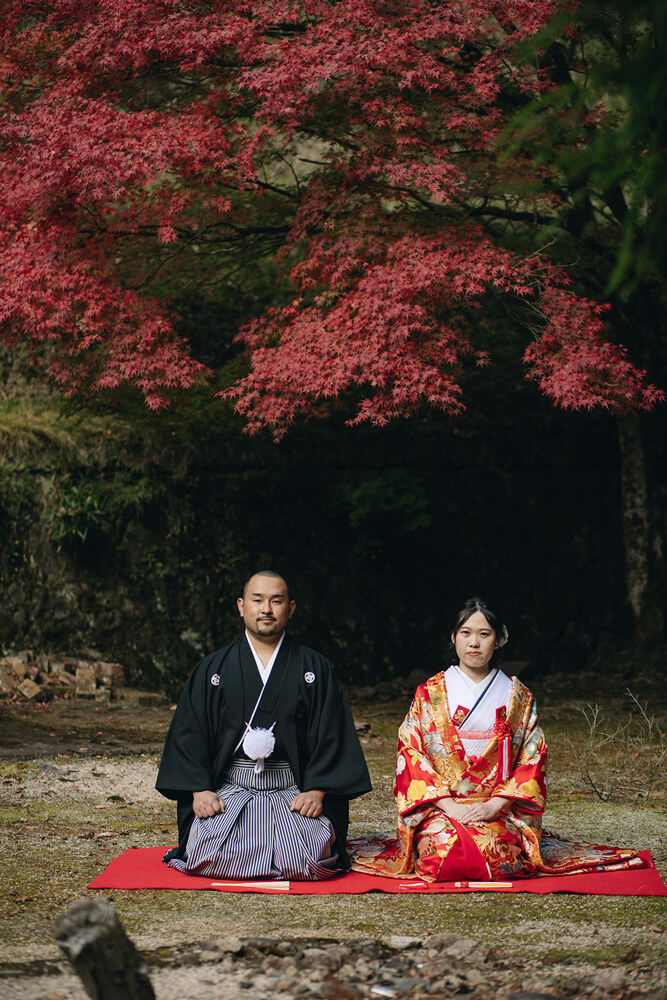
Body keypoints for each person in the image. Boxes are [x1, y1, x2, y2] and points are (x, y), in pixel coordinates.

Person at [352, 597, 640, 881]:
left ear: (499, 640)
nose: (473, 643)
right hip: (441, 807)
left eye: (484, 634)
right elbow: (411, 752)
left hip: (500, 809)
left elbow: (532, 757)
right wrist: (450, 806)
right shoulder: (430, 693)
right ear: (453, 637)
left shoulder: (518, 697)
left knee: (498, 852)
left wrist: (495, 805)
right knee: (442, 852)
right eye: (465, 633)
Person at [156, 570, 371, 880]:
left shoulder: (314, 669)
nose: (266, 609)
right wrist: (200, 791)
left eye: (276, 601)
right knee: (208, 854)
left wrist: (316, 792)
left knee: (309, 857)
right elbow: (189, 733)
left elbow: (332, 735)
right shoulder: (213, 669)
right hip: (232, 787)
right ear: (242, 607)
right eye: (258, 600)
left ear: (291, 608)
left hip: (292, 788)